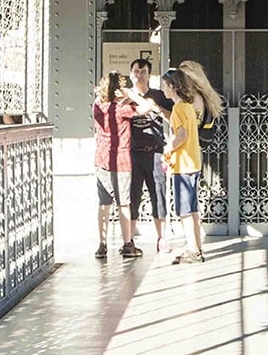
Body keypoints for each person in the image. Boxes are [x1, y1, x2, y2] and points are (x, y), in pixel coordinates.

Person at [162, 62, 224, 264]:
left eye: (165, 86)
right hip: (194, 162)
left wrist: (168, 148)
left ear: (173, 87)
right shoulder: (189, 107)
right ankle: (195, 246)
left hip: (183, 164)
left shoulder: (179, 108)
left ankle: (193, 250)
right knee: (193, 209)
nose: (163, 89)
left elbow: (181, 135)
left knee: (185, 211)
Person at [126, 58, 172, 253]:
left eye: (143, 71)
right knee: (132, 197)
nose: (139, 75)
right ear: (130, 74)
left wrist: (157, 109)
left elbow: (172, 116)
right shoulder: (125, 97)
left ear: (149, 74)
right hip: (133, 154)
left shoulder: (158, 95)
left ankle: (161, 238)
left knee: (158, 195)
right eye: (136, 71)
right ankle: (128, 240)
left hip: (155, 153)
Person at [91, 73, 134, 259]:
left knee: (104, 203)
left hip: (102, 159)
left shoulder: (97, 106)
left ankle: (102, 244)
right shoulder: (122, 109)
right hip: (122, 160)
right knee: (123, 203)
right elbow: (146, 108)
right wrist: (130, 94)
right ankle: (127, 243)